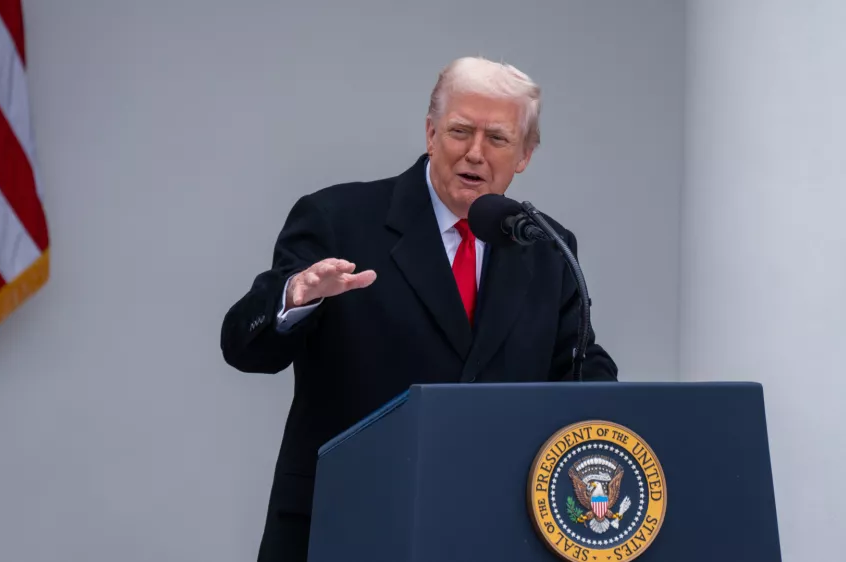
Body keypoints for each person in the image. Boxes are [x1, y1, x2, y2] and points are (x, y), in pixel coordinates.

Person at [220, 55, 618, 562]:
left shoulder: (547, 247)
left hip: (492, 528)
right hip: (349, 521)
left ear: (525, 155)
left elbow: (577, 364)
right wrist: (294, 295)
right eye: (460, 132)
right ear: (431, 133)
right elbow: (244, 346)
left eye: (497, 138)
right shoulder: (338, 218)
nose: (475, 153)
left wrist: (621, 409)